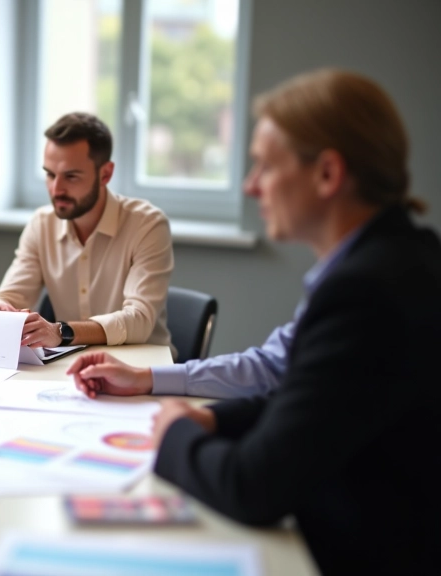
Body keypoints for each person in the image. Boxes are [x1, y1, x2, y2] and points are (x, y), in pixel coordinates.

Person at [71, 69, 441, 574]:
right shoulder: (396, 259)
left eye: (265, 167)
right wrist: (210, 414)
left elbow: (254, 486)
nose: (249, 187)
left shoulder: (367, 291)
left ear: (328, 174)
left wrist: (176, 435)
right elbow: (304, 389)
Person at [0, 112, 174, 355]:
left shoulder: (147, 225)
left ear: (105, 174)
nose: (56, 189)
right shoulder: (41, 224)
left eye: (71, 176)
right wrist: (0, 308)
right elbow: (11, 294)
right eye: (50, 174)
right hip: (71, 367)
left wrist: (60, 332)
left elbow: (139, 320)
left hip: (142, 370)